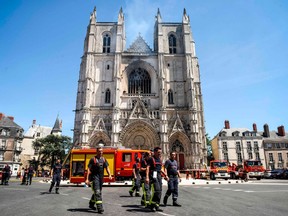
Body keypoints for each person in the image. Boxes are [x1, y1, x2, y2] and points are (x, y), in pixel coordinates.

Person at [85, 147, 112, 214]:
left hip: (101, 179)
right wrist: (87, 179)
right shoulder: (93, 159)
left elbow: (107, 167)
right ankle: (100, 208)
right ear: (96, 152)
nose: (101, 152)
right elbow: (88, 169)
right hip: (94, 178)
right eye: (99, 151)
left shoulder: (103, 159)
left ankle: (91, 204)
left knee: (97, 192)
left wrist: (109, 174)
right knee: (97, 192)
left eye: (102, 151)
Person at [145, 147, 168, 212]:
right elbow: (148, 168)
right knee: (157, 190)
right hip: (153, 175)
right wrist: (147, 177)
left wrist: (165, 175)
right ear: (154, 152)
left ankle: (157, 205)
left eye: (160, 152)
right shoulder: (151, 159)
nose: (159, 154)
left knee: (160, 191)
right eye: (158, 152)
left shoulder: (159, 159)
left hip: (159, 175)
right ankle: (152, 205)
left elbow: (160, 169)